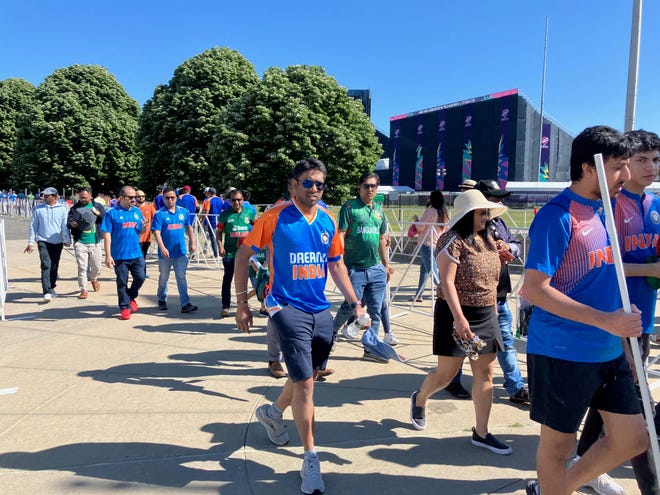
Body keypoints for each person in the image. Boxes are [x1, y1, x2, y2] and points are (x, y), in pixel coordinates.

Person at [522, 126, 648, 495]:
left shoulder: (606, 212)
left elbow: (602, 278)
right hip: (563, 351)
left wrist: (620, 319)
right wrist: (607, 320)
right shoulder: (558, 216)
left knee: (633, 437)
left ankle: (553, 488)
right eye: (618, 167)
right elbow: (535, 290)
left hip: (608, 348)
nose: (626, 175)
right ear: (588, 167)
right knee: (560, 447)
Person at [234, 158, 367, 495]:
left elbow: (335, 265)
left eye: (319, 184)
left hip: (320, 310)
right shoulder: (274, 217)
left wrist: (354, 303)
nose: (314, 189)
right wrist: (241, 302)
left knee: (308, 376)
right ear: (293, 185)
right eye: (307, 183)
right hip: (284, 307)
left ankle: (273, 412)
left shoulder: (326, 219)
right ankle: (310, 459)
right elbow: (242, 255)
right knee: (306, 384)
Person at [570, 129, 660, 495]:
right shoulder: (609, 204)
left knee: (613, 399)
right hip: (615, 318)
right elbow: (604, 264)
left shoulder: (654, 205)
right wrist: (649, 270)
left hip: (643, 317)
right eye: (639, 160)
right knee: (639, 411)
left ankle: (582, 462)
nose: (649, 166)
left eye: (655, 159)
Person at [409, 189, 512, 455]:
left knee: (485, 374)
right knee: (446, 374)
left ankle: (482, 432)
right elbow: (446, 282)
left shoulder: (489, 238)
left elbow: (492, 275)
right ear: (468, 214)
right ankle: (420, 399)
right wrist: (459, 319)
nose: (487, 217)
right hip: (455, 313)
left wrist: (502, 254)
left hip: (485, 313)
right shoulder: (451, 240)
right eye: (482, 212)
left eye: (488, 212)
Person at [475, 180, 530, 405]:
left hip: (500, 294)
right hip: (478, 298)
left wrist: (510, 249)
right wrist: (490, 252)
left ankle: (516, 387)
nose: (499, 201)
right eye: (495, 197)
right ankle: (451, 378)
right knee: (469, 345)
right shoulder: (470, 226)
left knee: (506, 341)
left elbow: (515, 243)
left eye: (500, 198)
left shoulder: (499, 222)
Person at [333, 172, 397, 359]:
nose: (370, 190)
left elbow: (381, 239)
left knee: (376, 311)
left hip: (375, 268)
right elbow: (341, 235)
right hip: (354, 267)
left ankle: (370, 347)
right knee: (351, 305)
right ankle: (332, 333)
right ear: (359, 187)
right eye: (366, 186)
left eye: (373, 186)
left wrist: (385, 265)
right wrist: (341, 262)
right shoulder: (350, 207)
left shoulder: (379, 211)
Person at [100, 186, 147, 321]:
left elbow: (140, 231)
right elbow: (107, 234)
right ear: (121, 198)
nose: (134, 199)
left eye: (136, 197)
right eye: (131, 197)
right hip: (119, 255)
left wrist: (143, 227)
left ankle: (131, 296)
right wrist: (108, 255)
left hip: (136, 253)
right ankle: (125, 307)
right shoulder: (111, 213)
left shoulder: (137, 212)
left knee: (141, 277)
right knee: (122, 282)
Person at [152, 187, 198, 314]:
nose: (170, 200)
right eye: (167, 197)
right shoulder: (159, 214)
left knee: (181, 277)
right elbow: (156, 232)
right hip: (165, 253)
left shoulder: (183, 212)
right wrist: (162, 248)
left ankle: (185, 303)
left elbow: (189, 227)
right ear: (163, 199)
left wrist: (192, 243)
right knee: (164, 277)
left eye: (172, 197)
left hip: (181, 252)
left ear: (176, 198)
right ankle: (162, 299)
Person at [24, 187, 71, 303]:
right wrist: (30, 242)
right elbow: (33, 226)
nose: (44, 197)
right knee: (46, 265)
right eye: (44, 195)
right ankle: (46, 291)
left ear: (54, 197)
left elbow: (64, 226)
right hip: (43, 240)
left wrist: (67, 239)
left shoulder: (62, 209)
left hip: (57, 241)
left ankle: (52, 286)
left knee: (54, 266)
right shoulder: (38, 209)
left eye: (47, 195)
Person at [217, 189, 256, 318]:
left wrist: (257, 246)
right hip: (230, 254)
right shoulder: (225, 215)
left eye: (239, 200)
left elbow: (257, 229)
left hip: (247, 255)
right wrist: (220, 246)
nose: (236, 202)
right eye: (233, 200)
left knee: (253, 279)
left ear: (243, 200)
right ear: (229, 201)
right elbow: (218, 233)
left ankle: (253, 304)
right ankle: (226, 306)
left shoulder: (249, 213)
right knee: (227, 279)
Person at [67, 187, 105, 299]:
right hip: (80, 242)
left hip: (95, 241)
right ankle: (83, 289)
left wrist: (98, 214)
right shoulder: (74, 208)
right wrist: (71, 224)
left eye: (85, 197)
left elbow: (106, 218)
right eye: (81, 197)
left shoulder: (98, 206)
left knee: (97, 266)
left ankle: (94, 279)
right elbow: (69, 221)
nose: (82, 199)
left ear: (90, 196)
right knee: (82, 267)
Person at [411, 190, 449, 302]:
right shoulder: (445, 213)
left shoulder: (430, 211)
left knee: (432, 271)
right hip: (437, 244)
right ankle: (419, 294)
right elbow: (446, 228)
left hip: (426, 243)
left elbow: (420, 227)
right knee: (424, 270)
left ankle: (445, 293)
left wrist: (416, 220)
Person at [200, 187, 223, 257]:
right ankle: (220, 250)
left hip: (211, 221)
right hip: (219, 220)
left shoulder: (209, 200)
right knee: (219, 236)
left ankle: (216, 253)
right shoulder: (220, 200)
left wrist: (202, 219)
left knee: (213, 237)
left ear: (209, 193)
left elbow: (206, 211)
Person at [135, 190, 156, 262]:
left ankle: (143, 273)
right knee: (137, 259)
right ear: (135, 197)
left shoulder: (150, 207)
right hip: (135, 238)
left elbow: (156, 219)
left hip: (146, 238)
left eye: (143, 196)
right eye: (139, 196)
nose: (141, 198)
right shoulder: (132, 208)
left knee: (142, 258)